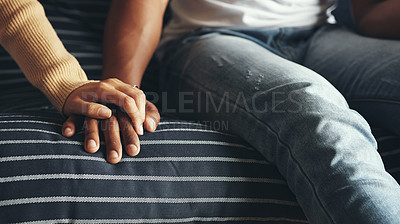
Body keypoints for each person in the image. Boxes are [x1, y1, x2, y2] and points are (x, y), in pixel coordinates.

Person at [1, 0, 400, 223]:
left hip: (322, 34)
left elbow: (368, 14)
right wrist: (123, 93)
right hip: (211, 40)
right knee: (316, 111)